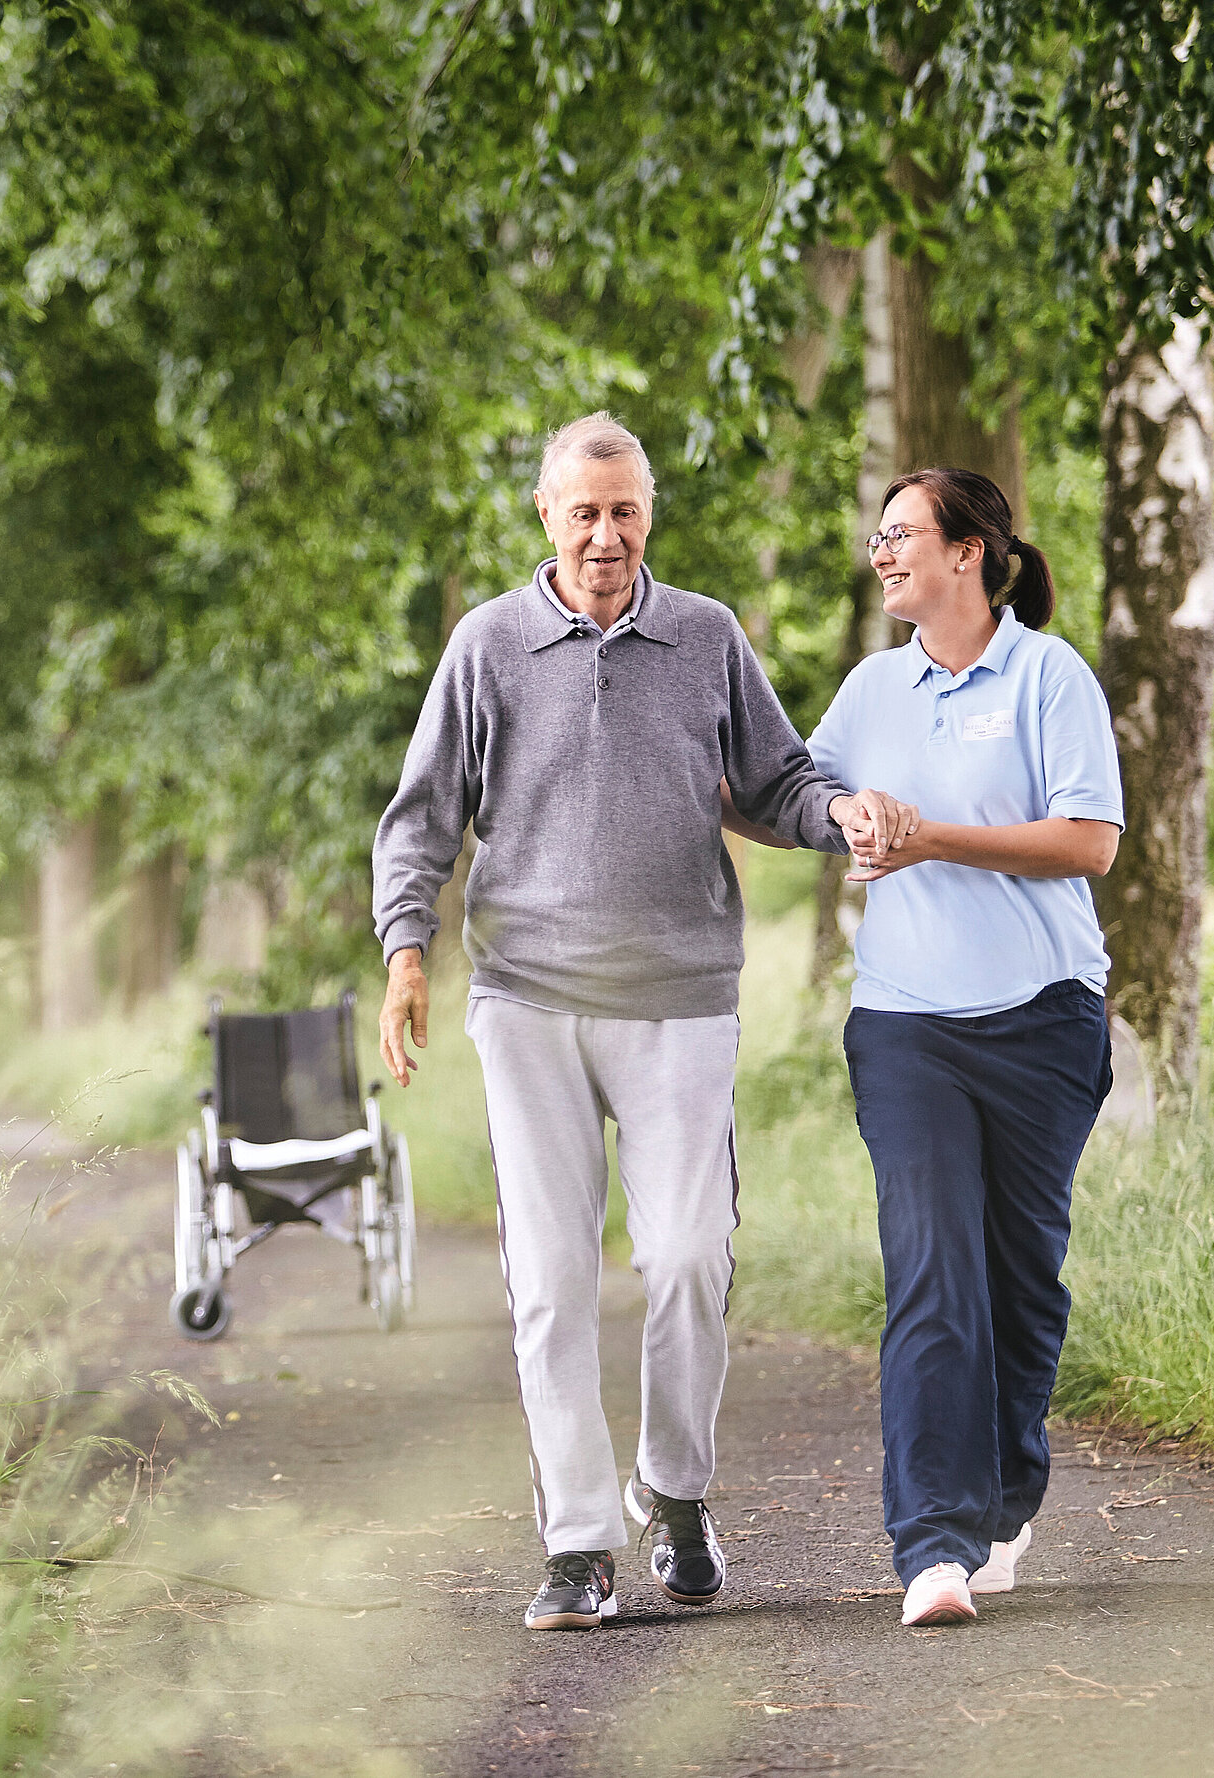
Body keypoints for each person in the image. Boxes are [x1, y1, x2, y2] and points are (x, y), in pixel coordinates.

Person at [371, 412, 911, 1631]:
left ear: (648, 515)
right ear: (547, 518)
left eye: (625, 512)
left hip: (677, 995)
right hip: (528, 999)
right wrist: (408, 952)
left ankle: (673, 1491)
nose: (606, 535)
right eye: (584, 513)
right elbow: (421, 817)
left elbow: (777, 784)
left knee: (686, 1255)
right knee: (553, 1277)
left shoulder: (706, 635)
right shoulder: (490, 644)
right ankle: (576, 1543)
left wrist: (848, 819)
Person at [805, 467, 1123, 1628]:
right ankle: (932, 1544)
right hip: (904, 1024)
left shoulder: (1047, 674)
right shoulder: (871, 690)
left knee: (1020, 1281)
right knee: (932, 1267)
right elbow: (793, 784)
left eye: (902, 536)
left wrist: (929, 835)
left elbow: (1089, 844)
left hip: (1042, 1016)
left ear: (971, 553)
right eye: (880, 537)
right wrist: (843, 816)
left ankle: (1002, 1492)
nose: (883, 554)